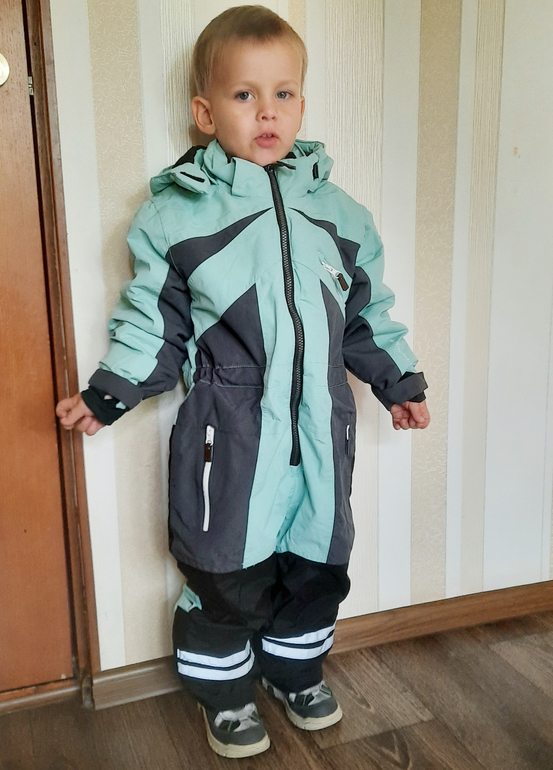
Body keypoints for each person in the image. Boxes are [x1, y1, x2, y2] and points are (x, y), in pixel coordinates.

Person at [57, 4, 430, 759]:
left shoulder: (340, 214)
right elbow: (152, 320)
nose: (267, 112)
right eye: (244, 95)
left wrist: (398, 382)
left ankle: (296, 672)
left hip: (322, 422)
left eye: (283, 94)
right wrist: (109, 392)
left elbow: (366, 313)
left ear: (302, 104)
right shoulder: (177, 216)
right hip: (227, 430)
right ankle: (224, 693)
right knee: (224, 565)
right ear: (205, 113)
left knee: (316, 558)